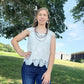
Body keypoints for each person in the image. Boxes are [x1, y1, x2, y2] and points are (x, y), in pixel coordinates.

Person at [11, 7, 56, 84]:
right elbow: (14, 40)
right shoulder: (30, 31)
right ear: (36, 17)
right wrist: (21, 52)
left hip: (44, 69)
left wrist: (48, 72)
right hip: (28, 67)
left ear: (47, 18)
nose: (42, 17)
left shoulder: (51, 35)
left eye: (44, 15)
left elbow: (52, 54)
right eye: (40, 15)